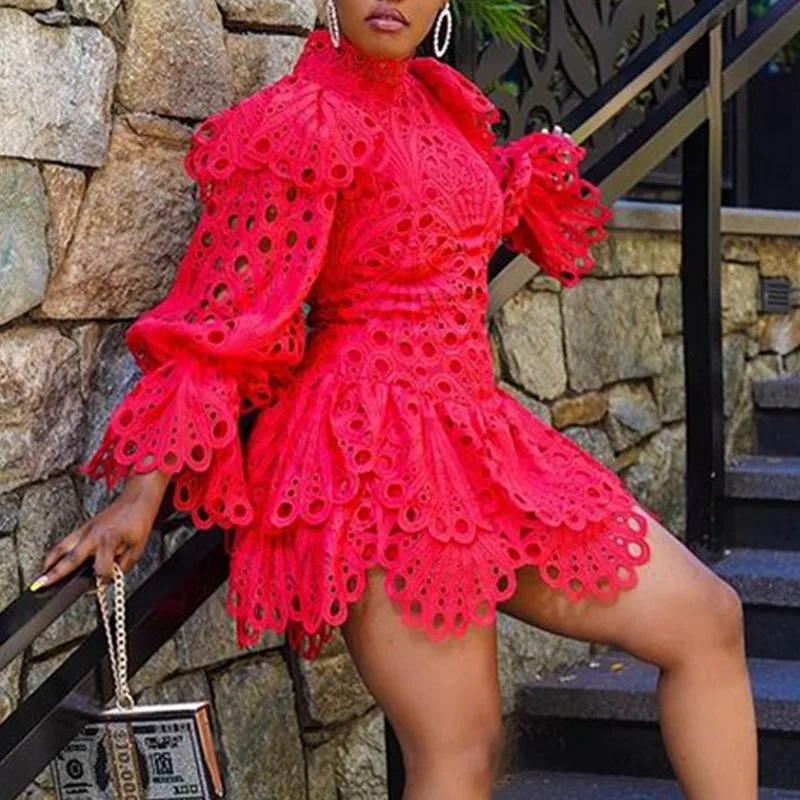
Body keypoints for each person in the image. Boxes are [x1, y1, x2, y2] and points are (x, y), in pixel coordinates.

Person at [29, 0, 757, 797]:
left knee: (707, 617)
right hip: (373, 452)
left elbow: (427, 212)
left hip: (480, 433)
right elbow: (225, 315)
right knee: (460, 747)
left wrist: (517, 185)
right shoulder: (299, 122)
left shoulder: (438, 100)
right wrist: (142, 495)